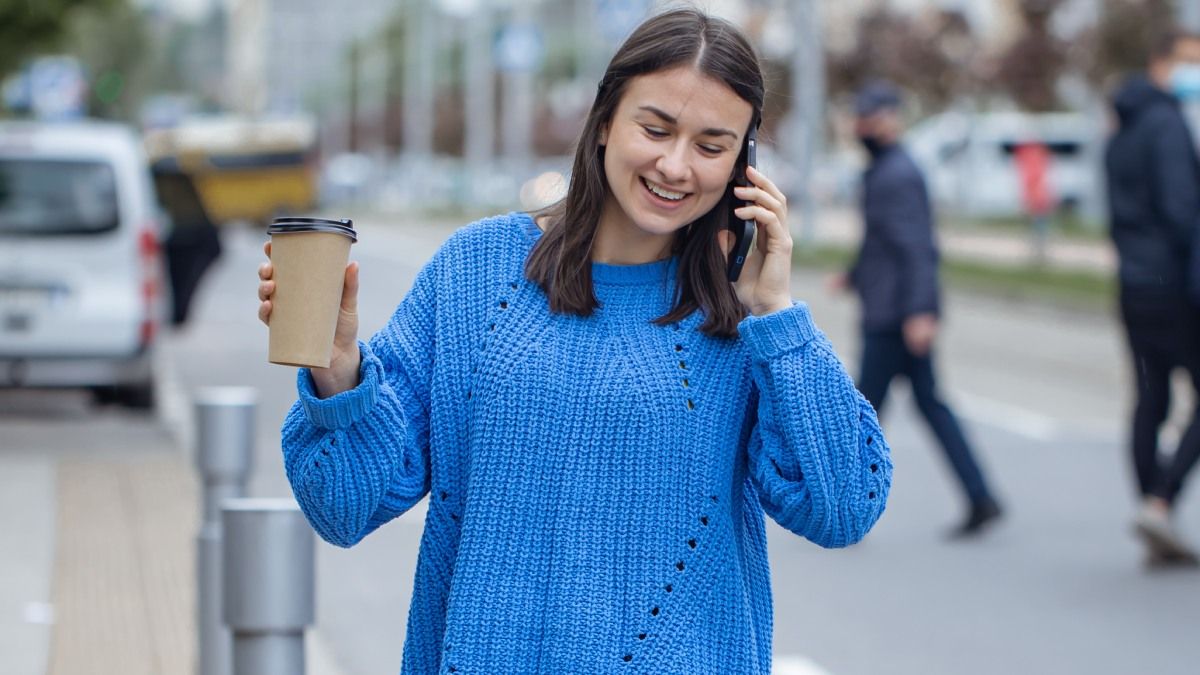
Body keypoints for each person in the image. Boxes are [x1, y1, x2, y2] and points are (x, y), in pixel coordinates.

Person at [257, 8, 891, 673]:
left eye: (711, 145)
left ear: (745, 163)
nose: (676, 165)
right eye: (656, 128)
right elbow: (344, 505)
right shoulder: (477, 270)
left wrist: (778, 315)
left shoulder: (745, 318)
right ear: (604, 120)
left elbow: (843, 505)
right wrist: (337, 371)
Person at [832, 81, 1001, 539]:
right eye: (860, 117)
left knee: (863, 409)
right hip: (892, 308)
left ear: (893, 119)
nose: (863, 126)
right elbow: (881, 243)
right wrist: (854, 275)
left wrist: (921, 311)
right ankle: (981, 496)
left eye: (873, 117)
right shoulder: (885, 169)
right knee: (927, 405)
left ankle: (839, 503)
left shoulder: (897, 173)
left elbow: (917, 248)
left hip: (896, 317)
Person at [1105, 29, 1200, 566]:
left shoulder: (1123, 129)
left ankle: (1150, 507)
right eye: (1190, 62)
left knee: (1151, 397)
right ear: (1161, 62)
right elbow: (1182, 212)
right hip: (1172, 288)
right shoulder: (1166, 125)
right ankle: (1160, 503)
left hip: (1135, 286)